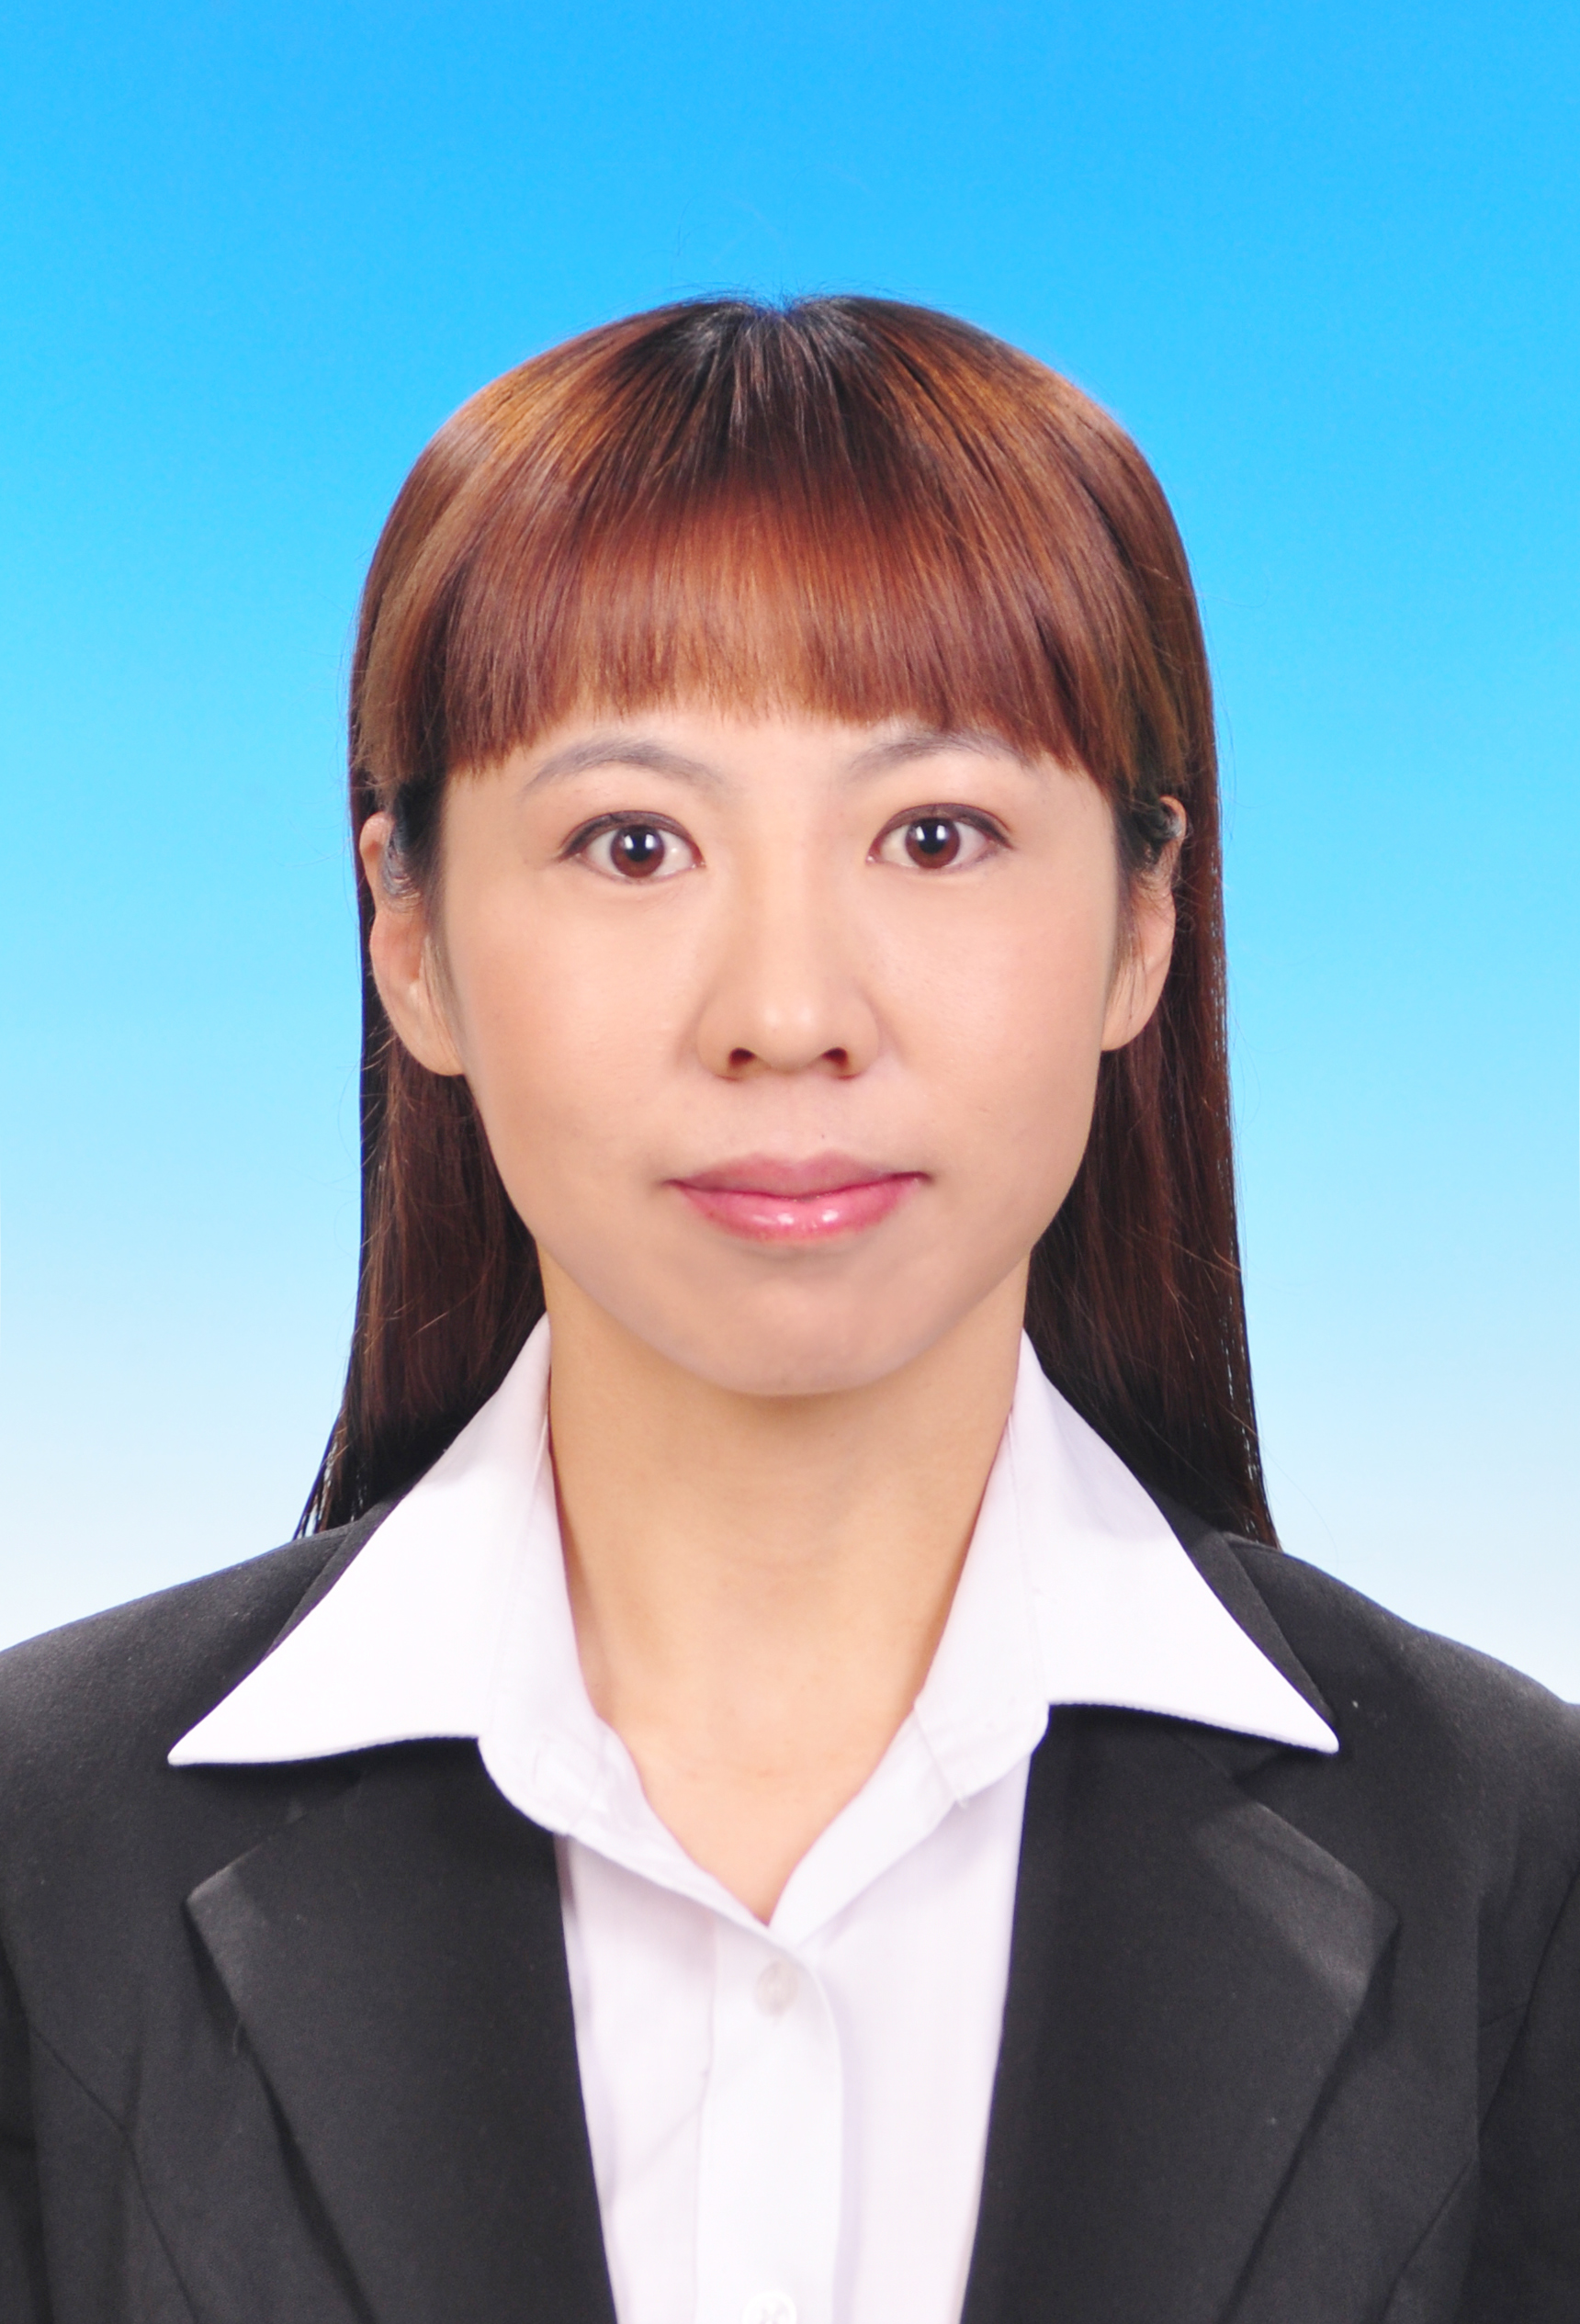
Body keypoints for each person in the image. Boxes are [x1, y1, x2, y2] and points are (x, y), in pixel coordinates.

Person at [1, 297, 1576, 2324]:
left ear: (1143, 920)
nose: (786, 1011)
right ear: (409, 934)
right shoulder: (41, 1854)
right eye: (632, 841)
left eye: (935, 834)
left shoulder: (1510, 1861)